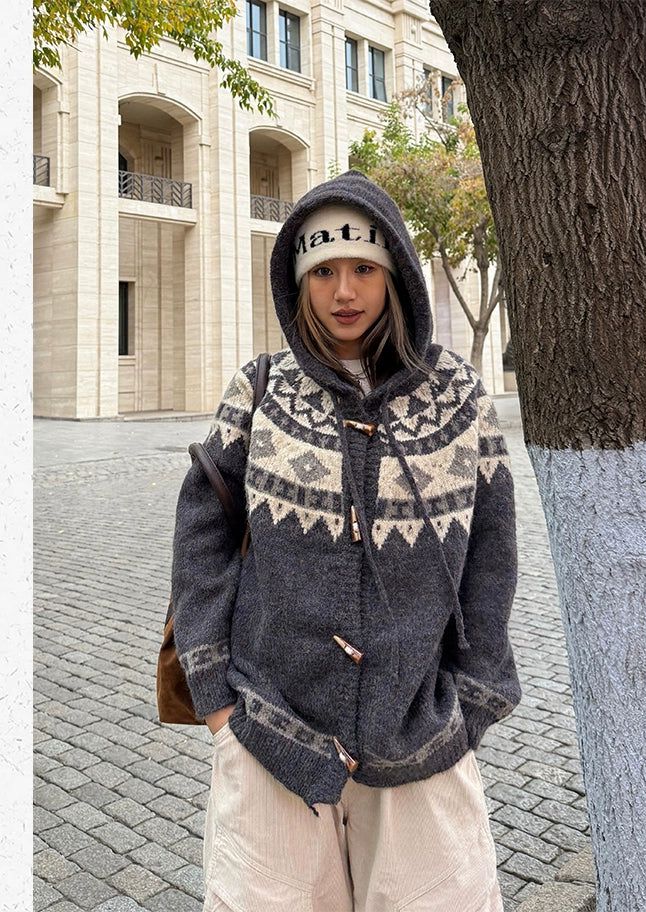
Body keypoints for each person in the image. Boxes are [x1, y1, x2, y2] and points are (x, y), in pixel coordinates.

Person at [171, 169, 521, 912]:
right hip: (269, 731)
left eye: (363, 267)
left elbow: (492, 552)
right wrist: (218, 701)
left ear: (395, 272)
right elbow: (202, 535)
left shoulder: (458, 396)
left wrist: (476, 696)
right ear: (298, 283)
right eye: (323, 271)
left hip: (422, 734)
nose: (344, 291)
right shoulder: (259, 389)